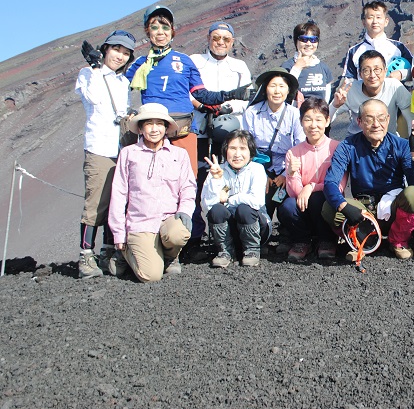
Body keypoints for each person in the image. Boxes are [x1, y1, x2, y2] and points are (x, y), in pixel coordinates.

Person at [126, 5, 247, 172]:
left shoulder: (184, 61)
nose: (160, 32)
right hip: (152, 131)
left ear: (172, 30)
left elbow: (202, 95)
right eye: (154, 27)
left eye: (165, 27)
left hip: (183, 130)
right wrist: (99, 69)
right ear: (148, 31)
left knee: (187, 180)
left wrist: (232, 94)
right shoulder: (140, 63)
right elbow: (118, 86)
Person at [323, 100, 414, 260]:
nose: (376, 124)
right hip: (363, 211)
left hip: (393, 208)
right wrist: (343, 206)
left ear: (388, 119)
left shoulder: (401, 145)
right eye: (369, 119)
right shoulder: (347, 146)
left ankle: (399, 241)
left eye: (381, 118)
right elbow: (331, 182)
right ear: (359, 121)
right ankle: (360, 241)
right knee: (329, 207)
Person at [107, 103, 194, 282]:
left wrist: (184, 211)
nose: (154, 129)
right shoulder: (128, 154)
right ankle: (126, 252)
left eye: (159, 124)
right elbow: (119, 193)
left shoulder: (179, 154)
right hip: (141, 223)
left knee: (179, 233)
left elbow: (188, 187)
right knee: (151, 276)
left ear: (166, 127)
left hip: (168, 219)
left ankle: (170, 258)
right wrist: (119, 232)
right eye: (149, 124)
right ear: (140, 128)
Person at [75, 30, 136, 278]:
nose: (120, 56)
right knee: (96, 202)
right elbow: (94, 97)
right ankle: (85, 256)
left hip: (120, 149)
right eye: (116, 50)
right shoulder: (88, 74)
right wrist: (96, 67)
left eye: (125, 53)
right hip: (99, 148)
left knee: (116, 202)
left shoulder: (123, 82)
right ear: (105, 49)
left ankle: (108, 251)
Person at [189, 21, 252, 253]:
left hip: (227, 129)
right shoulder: (195, 61)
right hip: (198, 129)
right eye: (216, 38)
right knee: (196, 180)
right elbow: (186, 90)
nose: (220, 43)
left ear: (232, 42)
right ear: (208, 38)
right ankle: (195, 235)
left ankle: (228, 235)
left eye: (226, 39)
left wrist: (224, 108)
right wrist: (203, 106)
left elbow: (246, 98)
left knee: (226, 180)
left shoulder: (239, 66)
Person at [281, 97, 344, 262]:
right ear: (301, 122)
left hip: (324, 204)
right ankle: (302, 241)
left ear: (327, 120)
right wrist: (292, 173)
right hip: (303, 206)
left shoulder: (337, 148)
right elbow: (294, 193)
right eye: (307, 119)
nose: (313, 125)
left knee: (319, 198)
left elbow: (339, 187)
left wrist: (310, 186)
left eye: (318, 119)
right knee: (287, 206)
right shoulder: (293, 153)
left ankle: (327, 240)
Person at [241, 68, 305, 224]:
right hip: (259, 167)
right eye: (273, 86)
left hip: (287, 167)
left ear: (288, 90)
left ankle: (287, 236)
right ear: (265, 89)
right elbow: (246, 147)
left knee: (289, 207)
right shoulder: (251, 113)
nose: (277, 91)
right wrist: (261, 174)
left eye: (282, 86)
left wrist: (286, 174)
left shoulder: (294, 114)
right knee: (258, 207)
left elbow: (300, 146)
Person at [200, 129, 269, 267]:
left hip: (255, 225)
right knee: (217, 210)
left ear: (250, 151)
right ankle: (225, 252)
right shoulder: (217, 170)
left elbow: (257, 201)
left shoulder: (257, 169)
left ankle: (252, 251)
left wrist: (230, 199)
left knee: (244, 209)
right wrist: (216, 179)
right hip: (229, 231)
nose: (237, 154)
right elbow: (208, 206)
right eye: (232, 148)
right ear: (225, 151)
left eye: (242, 148)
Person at [329, 50, 412, 138]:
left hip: (388, 140)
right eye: (366, 70)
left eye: (377, 69)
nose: (372, 75)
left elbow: (411, 119)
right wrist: (335, 105)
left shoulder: (394, 86)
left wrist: (413, 148)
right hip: (357, 142)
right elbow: (326, 119)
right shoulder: (350, 90)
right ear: (360, 74)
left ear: (385, 71)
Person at [340, 0, 412, 82]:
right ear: (364, 22)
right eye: (370, 18)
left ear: (386, 21)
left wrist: (401, 74)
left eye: (378, 17)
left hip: (394, 94)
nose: (375, 21)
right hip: (364, 94)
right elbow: (349, 79)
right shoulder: (354, 51)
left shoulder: (398, 47)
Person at [281, 20, 334, 102]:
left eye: (313, 40)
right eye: (304, 39)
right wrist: (297, 68)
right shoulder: (287, 67)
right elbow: (283, 93)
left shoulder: (323, 68)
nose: (309, 44)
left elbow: (326, 100)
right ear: (296, 41)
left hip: (318, 113)